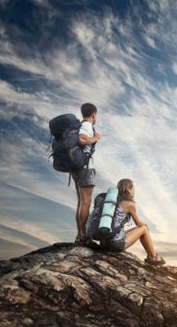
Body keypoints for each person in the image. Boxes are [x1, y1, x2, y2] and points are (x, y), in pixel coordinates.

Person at [101, 179, 166, 266]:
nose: (134, 191)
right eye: (133, 188)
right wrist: (145, 225)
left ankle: (153, 257)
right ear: (129, 189)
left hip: (103, 242)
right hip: (115, 244)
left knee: (137, 229)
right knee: (144, 229)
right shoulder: (129, 203)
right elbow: (139, 224)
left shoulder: (110, 202)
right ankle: (153, 258)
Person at [73, 103, 102, 247]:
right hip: (86, 168)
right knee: (86, 202)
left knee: (81, 202)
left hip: (78, 167)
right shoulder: (87, 126)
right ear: (94, 114)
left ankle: (80, 234)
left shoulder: (80, 125)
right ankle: (83, 236)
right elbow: (82, 140)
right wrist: (96, 138)